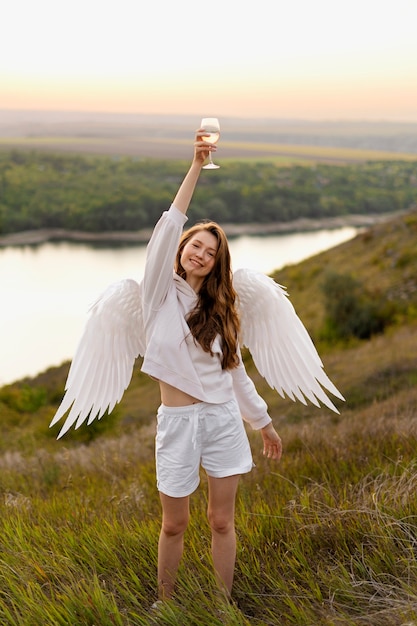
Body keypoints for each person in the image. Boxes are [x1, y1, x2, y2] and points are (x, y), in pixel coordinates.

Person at [140, 128, 283, 603]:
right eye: (194, 245)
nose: (199, 254)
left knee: (222, 520)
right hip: (178, 422)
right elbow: (167, 226)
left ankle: (223, 605)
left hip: (222, 420)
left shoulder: (223, 310)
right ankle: (166, 602)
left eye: (210, 251)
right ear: (181, 249)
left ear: (217, 263)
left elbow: (236, 373)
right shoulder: (158, 296)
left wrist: (262, 422)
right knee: (173, 523)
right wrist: (197, 165)